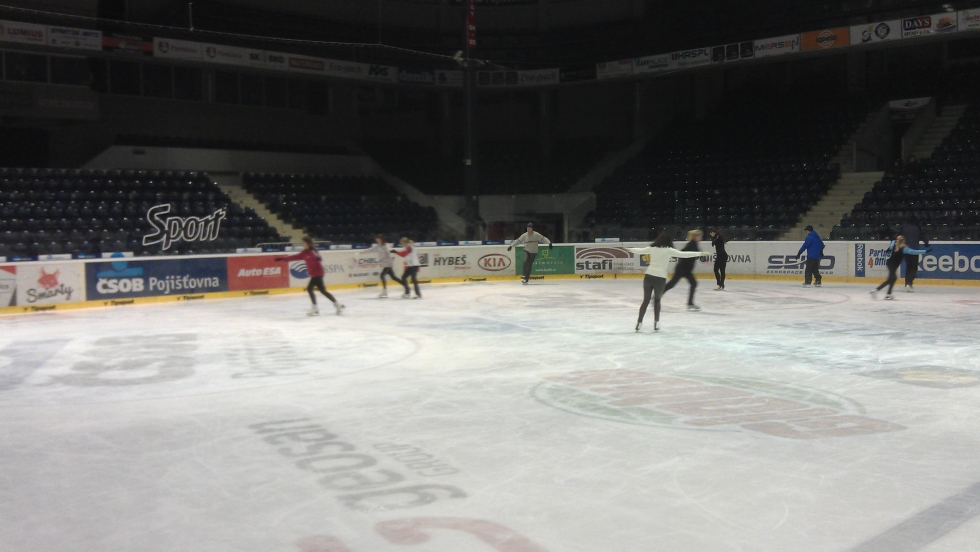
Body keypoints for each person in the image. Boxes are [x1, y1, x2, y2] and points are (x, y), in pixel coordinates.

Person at [627, 232, 712, 332]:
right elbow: (684, 254)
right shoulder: (669, 250)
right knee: (657, 300)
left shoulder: (652, 248)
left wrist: (628, 249)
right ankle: (656, 322)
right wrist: (700, 253)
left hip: (648, 276)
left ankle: (639, 323)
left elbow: (639, 251)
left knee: (645, 301)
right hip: (660, 278)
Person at [276, 236, 344, 316]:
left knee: (310, 289)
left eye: (303, 243)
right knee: (322, 291)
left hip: (318, 273)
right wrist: (282, 258)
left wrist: (318, 259)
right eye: (302, 243)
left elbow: (318, 258)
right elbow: (294, 257)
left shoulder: (312, 252)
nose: (302, 244)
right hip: (315, 274)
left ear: (308, 243)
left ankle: (315, 308)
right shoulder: (304, 253)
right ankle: (337, 304)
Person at [871, 235, 928, 300]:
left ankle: (887, 294)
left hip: (890, 264)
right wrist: (924, 251)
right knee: (891, 279)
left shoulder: (894, 245)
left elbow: (891, 245)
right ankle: (877, 290)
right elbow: (913, 252)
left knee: (892, 279)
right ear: (903, 241)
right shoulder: (904, 248)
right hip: (893, 265)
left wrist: (894, 241)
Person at [664, 229, 704, 311]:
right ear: (695, 236)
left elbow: (699, 256)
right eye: (700, 236)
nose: (701, 238)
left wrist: (703, 256)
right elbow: (681, 254)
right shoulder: (691, 245)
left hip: (686, 270)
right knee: (671, 284)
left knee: (693, 283)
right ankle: (657, 296)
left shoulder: (694, 244)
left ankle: (690, 303)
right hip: (682, 268)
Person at [360, 234, 401, 298]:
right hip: (385, 264)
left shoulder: (386, 245)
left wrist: (389, 254)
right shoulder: (378, 246)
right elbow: (371, 250)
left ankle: (385, 291)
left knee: (382, 275)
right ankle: (406, 286)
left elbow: (389, 251)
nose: (377, 241)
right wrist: (362, 252)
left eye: (378, 239)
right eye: (377, 240)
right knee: (393, 277)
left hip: (388, 263)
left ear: (381, 239)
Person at [900, 218, 929, 292]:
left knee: (908, 267)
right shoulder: (917, 228)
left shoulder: (904, 228)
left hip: (906, 250)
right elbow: (923, 236)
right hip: (914, 250)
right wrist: (926, 243)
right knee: (914, 268)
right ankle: (909, 283)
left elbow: (898, 237)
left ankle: (907, 283)